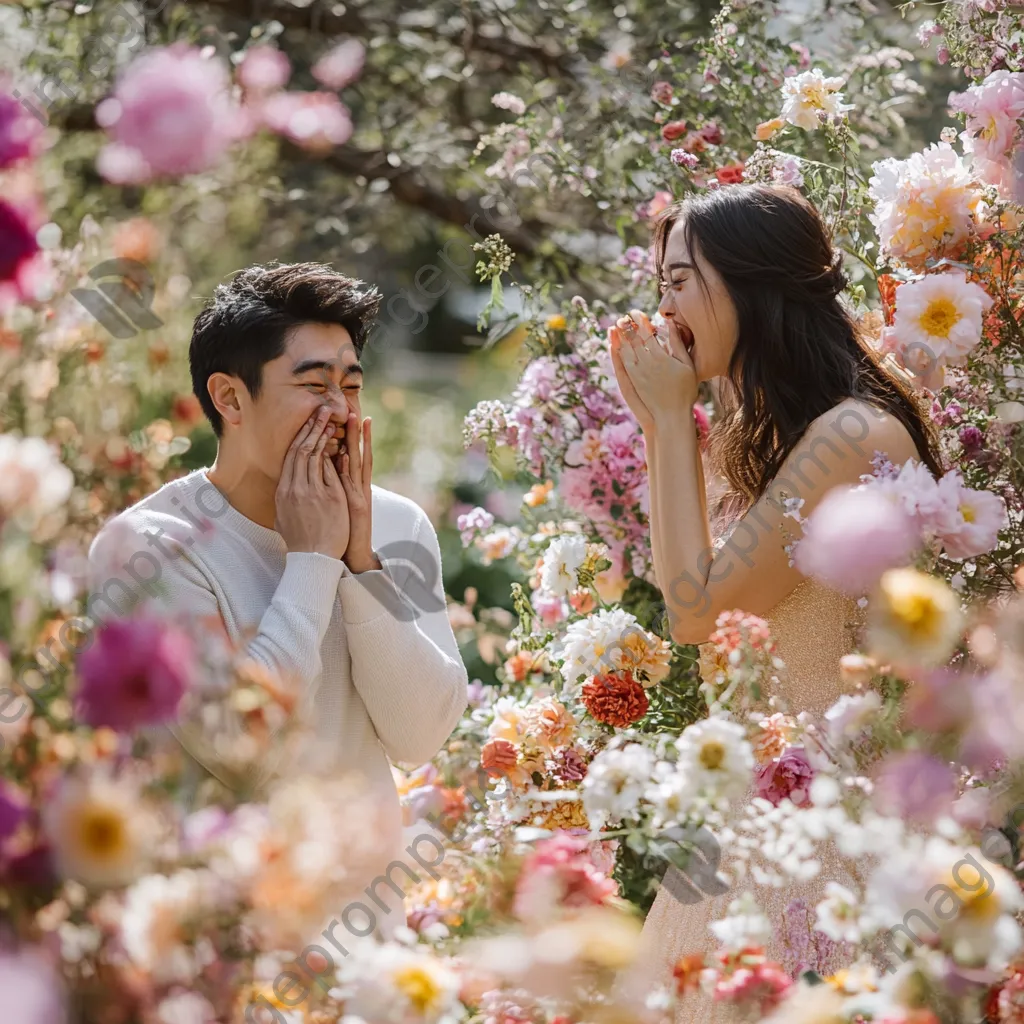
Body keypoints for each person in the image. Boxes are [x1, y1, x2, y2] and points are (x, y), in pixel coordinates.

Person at [608, 184, 942, 1020]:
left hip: (826, 828)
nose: (665, 307)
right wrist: (665, 427)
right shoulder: (777, 431)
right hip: (767, 809)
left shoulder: (850, 434)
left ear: (750, 284)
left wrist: (667, 421)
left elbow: (693, 615)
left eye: (680, 280)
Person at [88, 261, 469, 936]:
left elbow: (420, 736)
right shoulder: (149, 550)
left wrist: (358, 560)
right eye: (313, 384)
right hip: (224, 941)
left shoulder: (397, 525)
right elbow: (243, 744)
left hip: (372, 941)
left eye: (351, 384)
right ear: (230, 399)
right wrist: (313, 559)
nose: (342, 412)